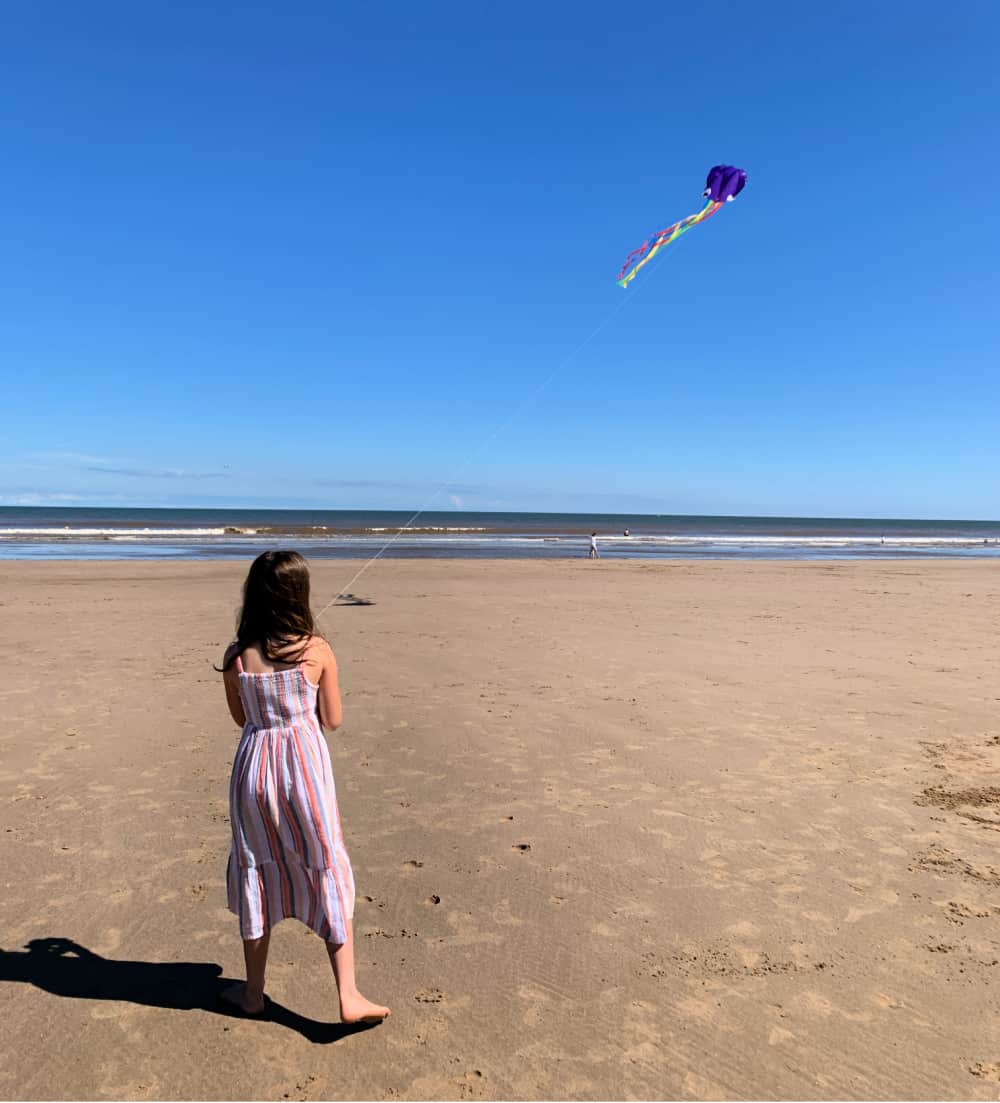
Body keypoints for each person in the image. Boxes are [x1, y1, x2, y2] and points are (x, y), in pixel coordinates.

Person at [218, 550, 390, 1024]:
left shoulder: (237, 656)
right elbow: (332, 720)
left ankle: (254, 992)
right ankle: (348, 995)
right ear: (300, 596)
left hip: (253, 775)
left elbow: (241, 718)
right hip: (304, 773)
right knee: (326, 862)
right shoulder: (317, 650)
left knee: (257, 867)